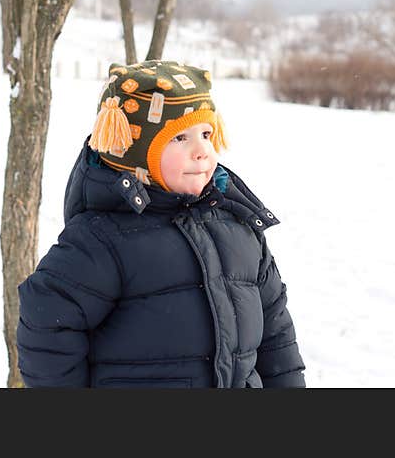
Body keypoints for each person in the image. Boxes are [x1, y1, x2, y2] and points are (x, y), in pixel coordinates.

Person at [17, 60, 305, 388]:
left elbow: (276, 336)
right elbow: (46, 321)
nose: (202, 151)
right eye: (179, 137)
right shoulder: (102, 239)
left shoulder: (238, 225)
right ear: (135, 153)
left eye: (206, 134)